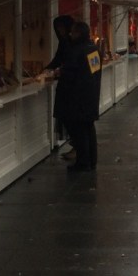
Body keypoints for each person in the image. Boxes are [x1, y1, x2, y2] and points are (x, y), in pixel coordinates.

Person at [57, 21, 102, 171]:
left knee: (79, 132)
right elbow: (94, 72)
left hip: (77, 98)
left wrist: (60, 72)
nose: (71, 34)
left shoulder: (77, 51)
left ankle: (83, 163)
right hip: (91, 96)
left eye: (74, 32)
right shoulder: (93, 49)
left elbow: (70, 73)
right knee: (89, 129)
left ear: (79, 33)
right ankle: (92, 160)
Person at [45, 15, 76, 159]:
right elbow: (58, 58)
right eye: (58, 29)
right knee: (66, 117)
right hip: (66, 85)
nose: (60, 31)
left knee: (71, 117)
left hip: (72, 86)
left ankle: (77, 148)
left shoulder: (74, 43)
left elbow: (72, 63)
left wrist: (59, 70)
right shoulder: (64, 42)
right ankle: (76, 147)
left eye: (61, 28)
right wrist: (47, 69)